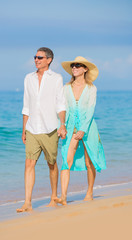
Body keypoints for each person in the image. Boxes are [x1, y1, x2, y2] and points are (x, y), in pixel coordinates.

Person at [16, 47, 67, 212]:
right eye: (35, 57)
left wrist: (63, 124)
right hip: (32, 127)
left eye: (40, 57)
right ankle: (27, 202)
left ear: (49, 60)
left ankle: (53, 197)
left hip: (50, 127)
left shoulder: (57, 78)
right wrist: (23, 129)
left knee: (51, 163)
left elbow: (60, 103)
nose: (36, 60)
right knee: (29, 163)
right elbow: (26, 105)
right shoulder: (28, 78)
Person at [55, 56, 106, 205]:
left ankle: (89, 192)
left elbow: (90, 110)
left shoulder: (91, 88)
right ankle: (63, 196)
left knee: (89, 161)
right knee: (66, 160)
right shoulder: (65, 88)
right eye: (73, 66)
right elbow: (61, 108)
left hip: (88, 128)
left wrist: (83, 130)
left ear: (85, 69)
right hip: (70, 128)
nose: (74, 68)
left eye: (78, 65)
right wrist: (61, 125)